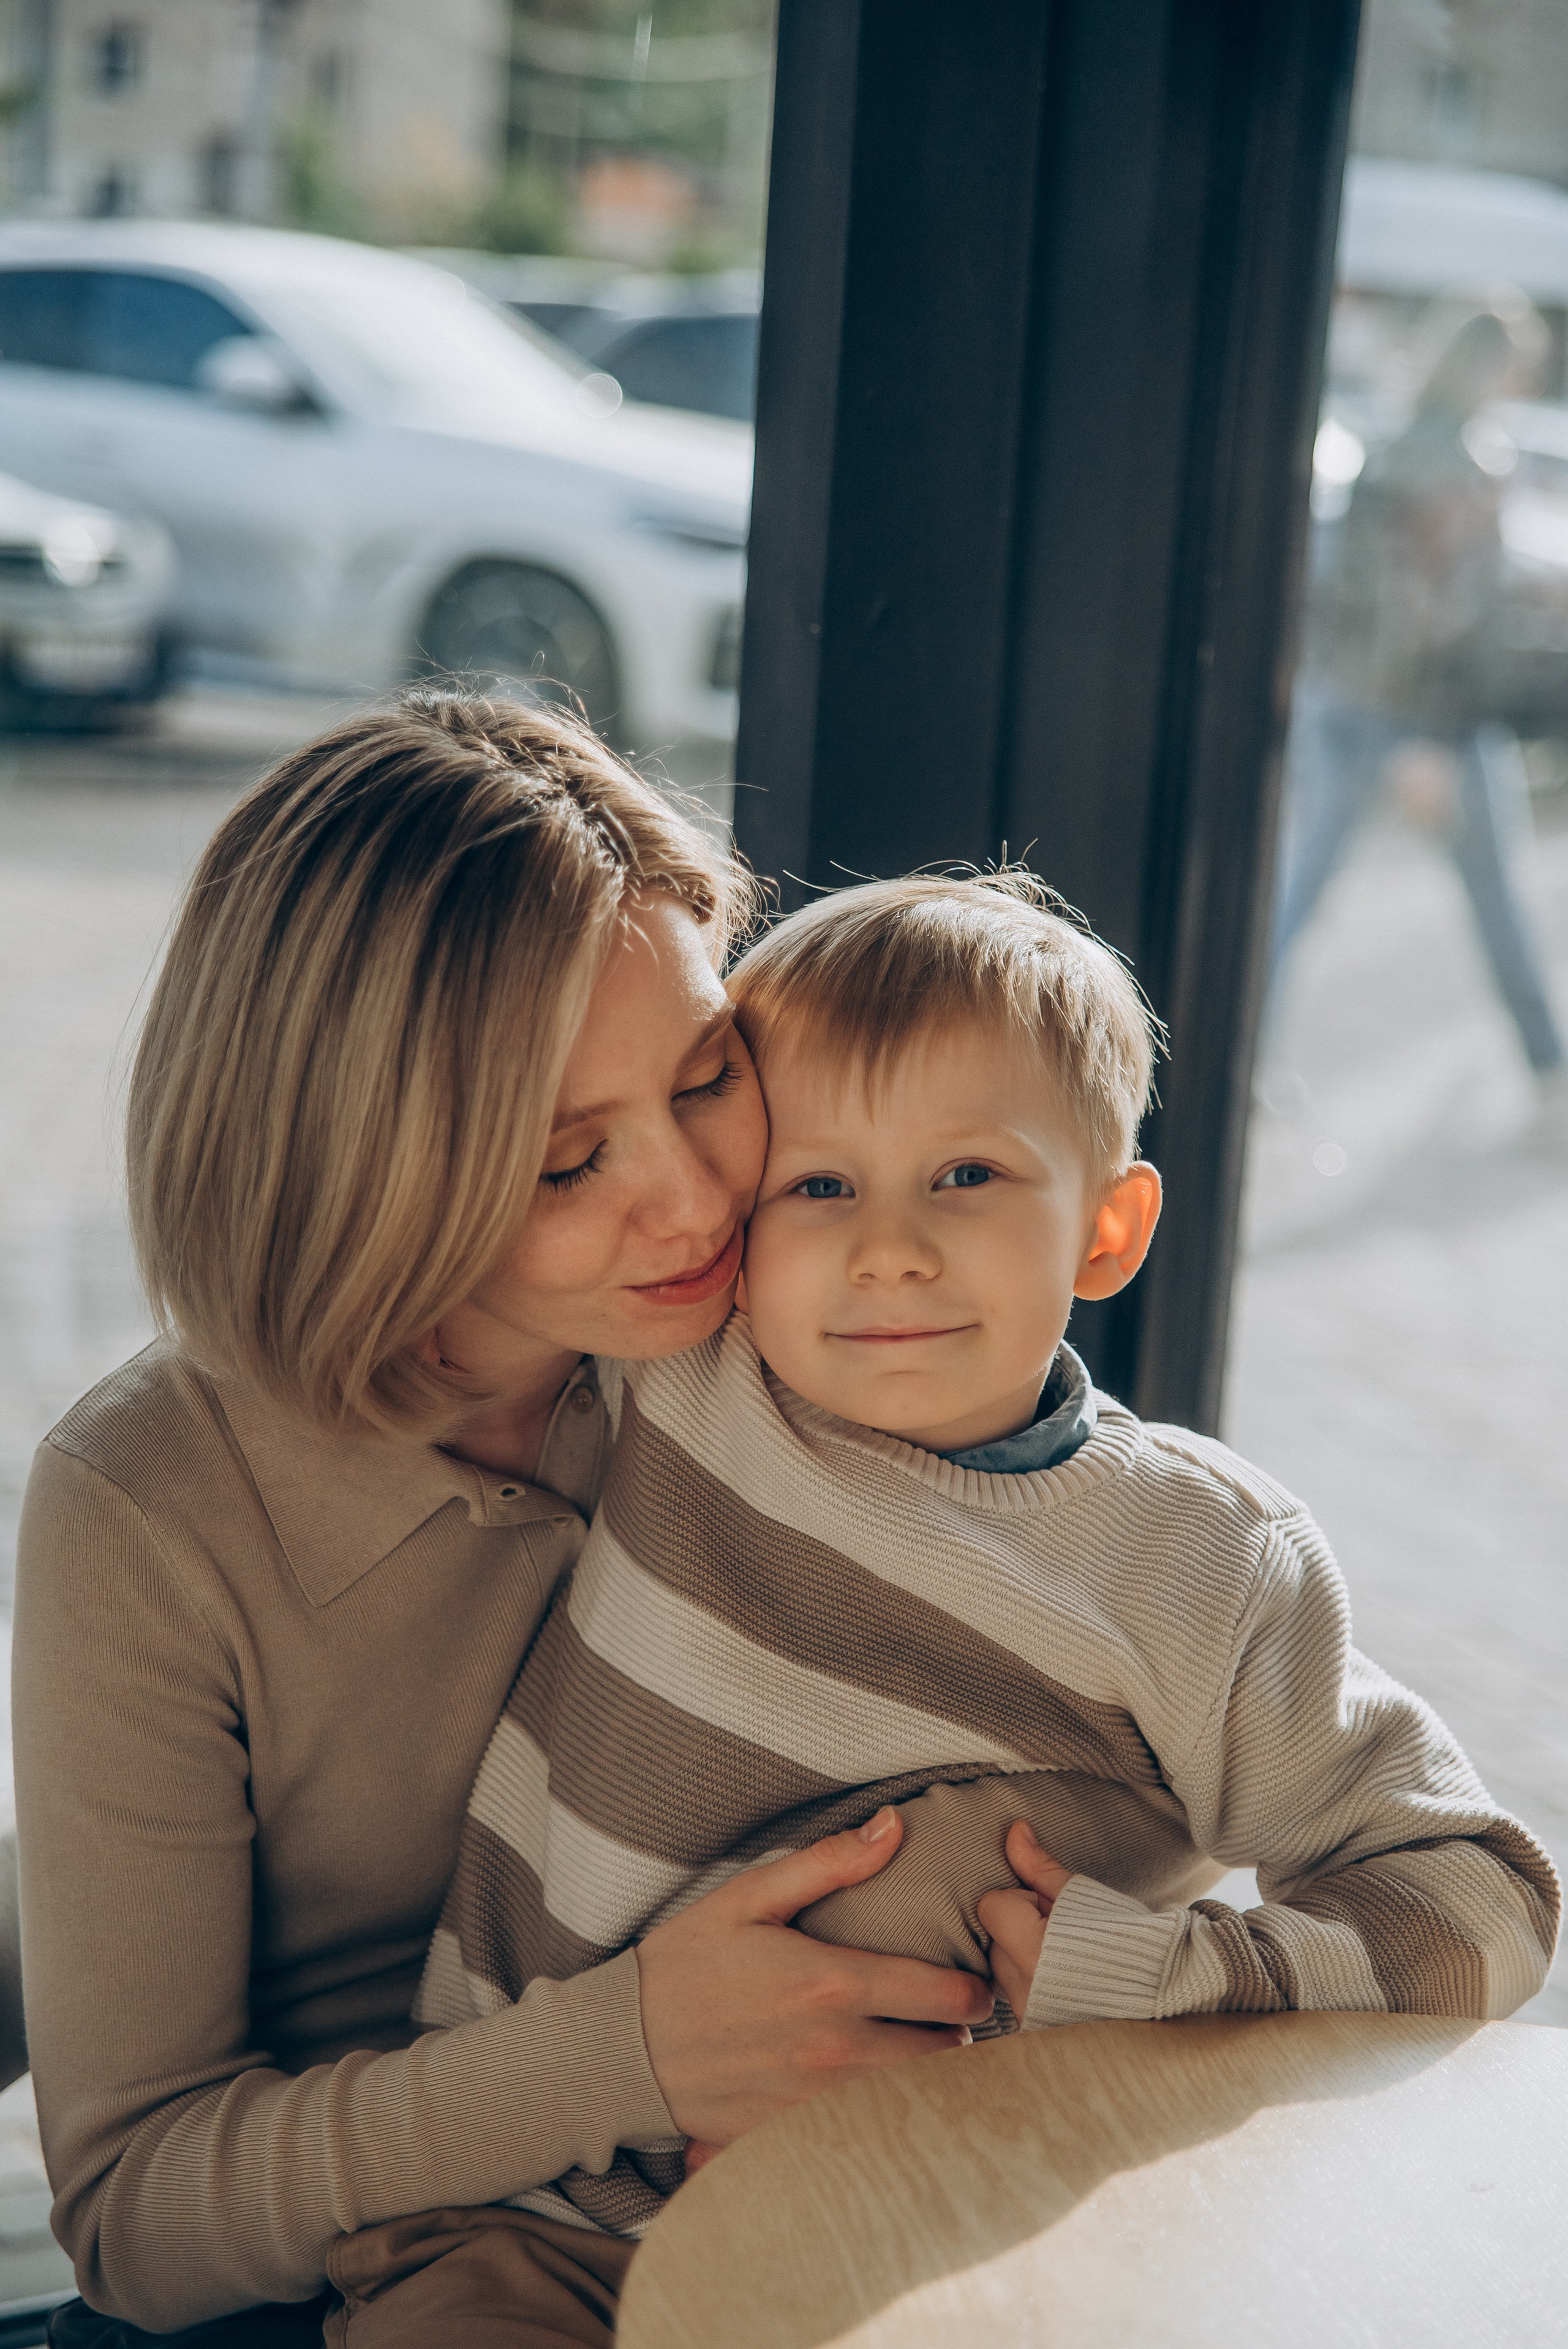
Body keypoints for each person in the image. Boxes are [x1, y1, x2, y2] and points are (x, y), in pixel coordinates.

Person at [330, 874, 1559, 2342]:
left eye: (966, 1176)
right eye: (821, 1185)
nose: (889, 1249)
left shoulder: (1195, 1559)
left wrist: (1169, 1977)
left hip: (936, 2213)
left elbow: (1482, 1902)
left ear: (1107, 1230)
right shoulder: (681, 1374)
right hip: (515, 2218)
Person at [13, 694, 995, 2344]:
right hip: (346, 2273)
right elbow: (137, 2214)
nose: (693, 1198)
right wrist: (631, 2050)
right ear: (361, 1171)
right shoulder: (147, 1508)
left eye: (706, 1076)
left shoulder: (795, 1316)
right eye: (564, 1165)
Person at [1272, 302, 1566, 1096]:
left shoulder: (1393, 448)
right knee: (1494, 898)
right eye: (1519, 365)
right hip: (1422, 721)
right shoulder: (1464, 466)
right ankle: (1548, 1065)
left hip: (1352, 704)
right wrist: (1424, 740)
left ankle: (1237, 1058)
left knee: (1299, 890)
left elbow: (1360, 602)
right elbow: (1424, 616)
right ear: (1489, 368)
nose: (1525, 381)